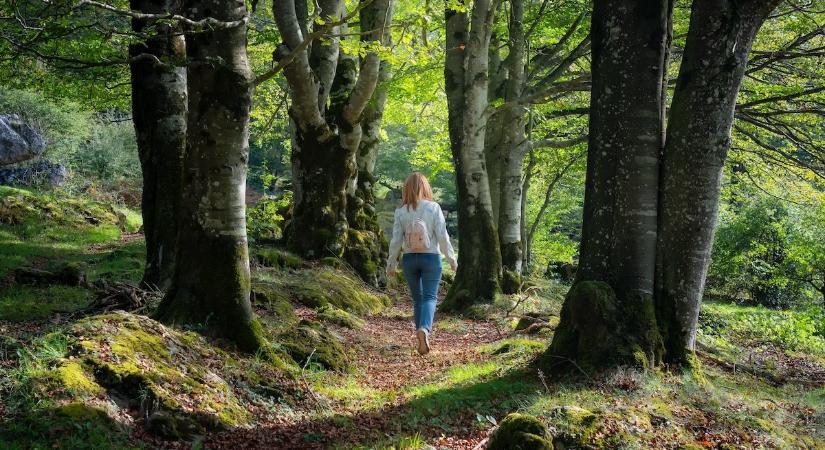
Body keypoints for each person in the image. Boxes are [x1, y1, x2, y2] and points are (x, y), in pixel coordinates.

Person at [386, 172, 457, 355]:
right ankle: (424, 330)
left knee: (418, 299)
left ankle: (421, 339)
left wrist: (391, 264)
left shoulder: (401, 211)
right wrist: (452, 260)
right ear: (425, 187)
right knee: (430, 298)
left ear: (406, 189)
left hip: (409, 259)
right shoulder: (433, 208)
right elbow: (442, 236)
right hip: (431, 258)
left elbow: (395, 240)